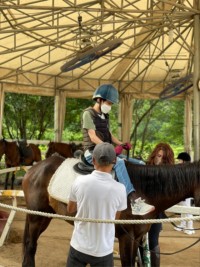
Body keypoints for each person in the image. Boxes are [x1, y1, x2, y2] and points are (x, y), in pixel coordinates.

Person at [82, 84, 155, 216]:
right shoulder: (88, 114)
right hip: (93, 152)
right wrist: (110, 149)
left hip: (105, 151)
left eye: (111, 103)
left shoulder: (105, 116)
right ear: (99, 100)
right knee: (120, 163)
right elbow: (92, 137)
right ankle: (134, 202)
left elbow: (109, 135)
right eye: (109, 102)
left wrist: (122, 143)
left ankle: (142, 196)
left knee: (140, 164)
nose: (110, 106)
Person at [66, 143, 127, 267]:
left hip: (79, 246)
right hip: (103, 251)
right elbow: (115, 218)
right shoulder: (120, 188)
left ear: (93, 160)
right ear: (114, 161)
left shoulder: (79, 181)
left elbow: (70, 209)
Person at [146, 143, 175, 267]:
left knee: (153, 241)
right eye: (159, 156)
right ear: (154, 155)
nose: (160, 160)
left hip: (156, 214)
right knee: (136, 243)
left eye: (164, 158)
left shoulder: (170, 175)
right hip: (139, 213)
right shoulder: (144, 168)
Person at [174, 152, 195, 235]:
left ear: (184, 161)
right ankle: (182, 225)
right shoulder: (182, 168)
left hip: (187, 193)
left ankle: (190, 227)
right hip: (182, 192)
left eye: (180, 160)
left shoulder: (188, 169)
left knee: (187, 210)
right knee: (182, 209)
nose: (178, 161)